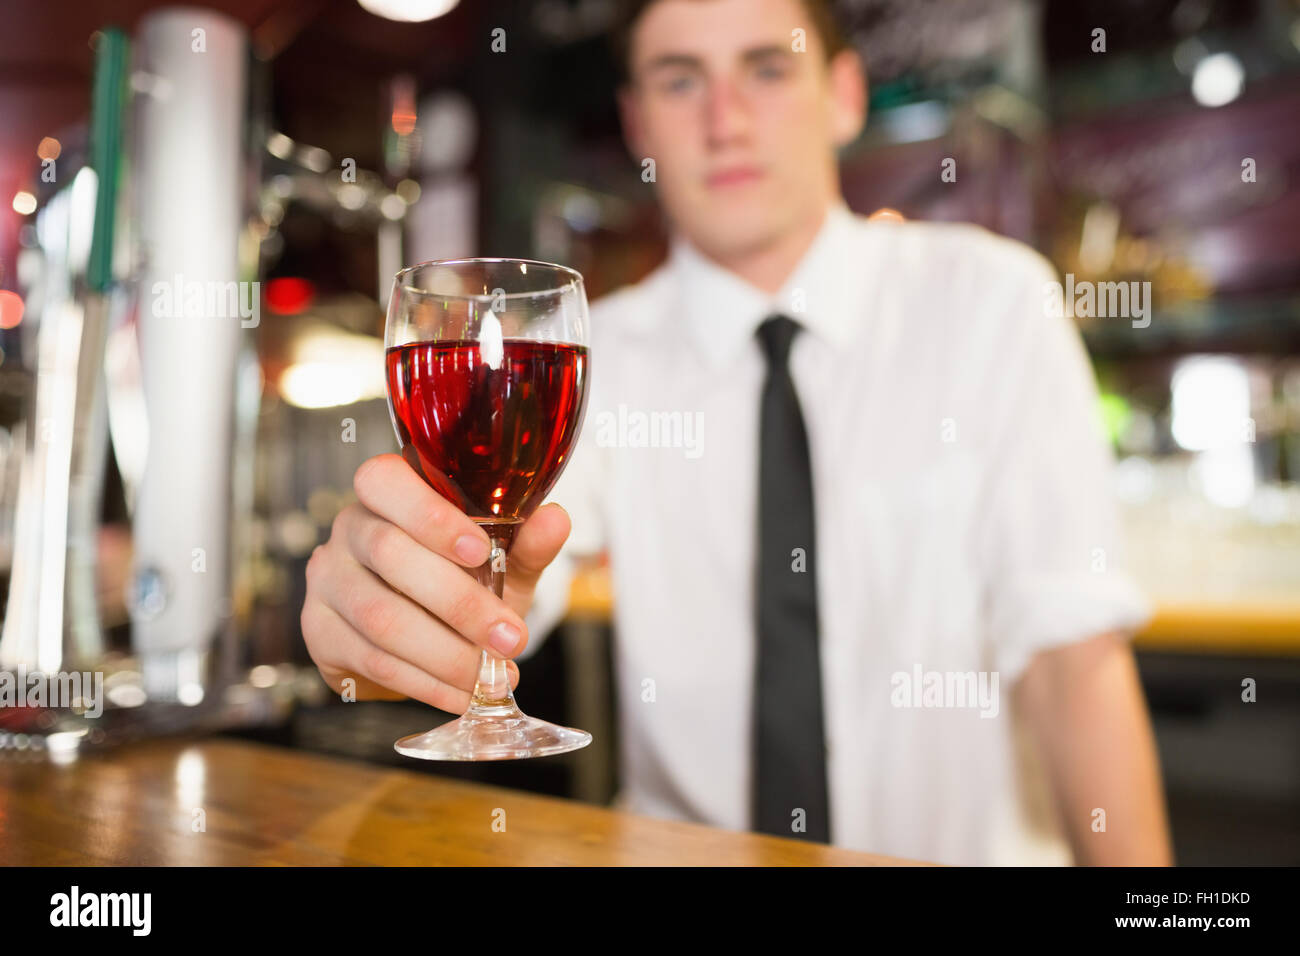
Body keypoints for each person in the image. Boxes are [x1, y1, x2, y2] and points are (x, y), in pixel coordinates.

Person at [301, 0, 1174, 866]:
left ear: (843, 93)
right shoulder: (587, 353)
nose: (726, 120)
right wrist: (382, 630)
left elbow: (1075, 663)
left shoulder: (992, 302)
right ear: (639, 124)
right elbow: (480, 600)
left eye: (766, 67)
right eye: (682, 82)